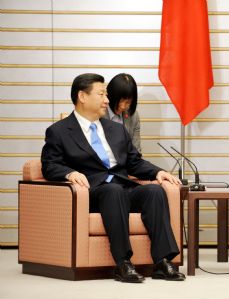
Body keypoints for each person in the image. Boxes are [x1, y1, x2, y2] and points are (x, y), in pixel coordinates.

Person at [41, 73, 185, 283]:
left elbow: (134, 161)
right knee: (113, 190)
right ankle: (123, 263)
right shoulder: (59, 131)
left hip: (122, 186)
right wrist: (70, 173)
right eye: (101, 94)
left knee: (154, 190)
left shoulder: (115, 129)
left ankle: (162, 262)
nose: (107, 100)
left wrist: (157, 172)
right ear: (82, 96)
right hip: (93, 191)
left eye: (106, 94)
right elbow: (49, 165)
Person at [105, 73, 142, 152]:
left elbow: (136, 150)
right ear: (110, 96)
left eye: (128, 102)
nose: (123, 106)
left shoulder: (133, 116)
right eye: (120, 101)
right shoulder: (98, 113)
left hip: (127, 162)